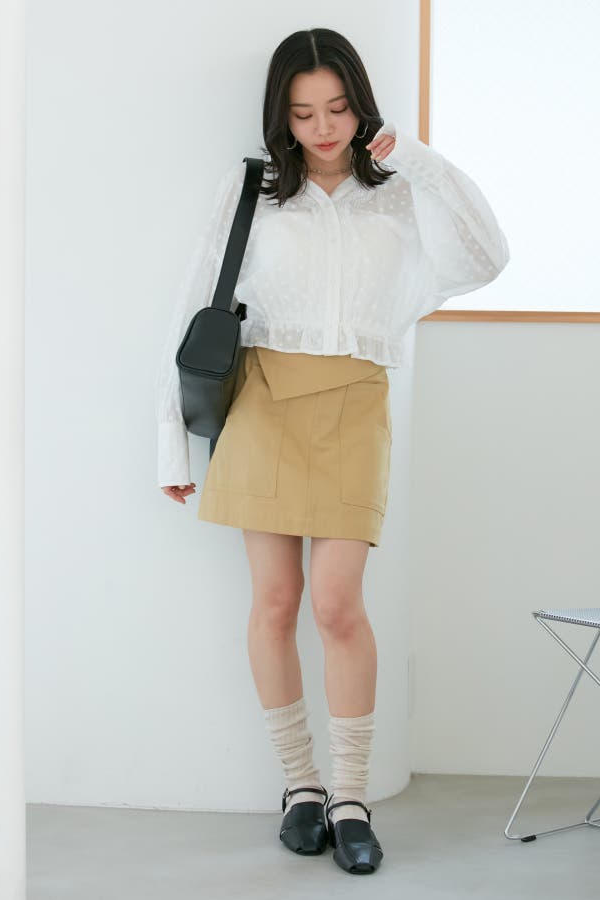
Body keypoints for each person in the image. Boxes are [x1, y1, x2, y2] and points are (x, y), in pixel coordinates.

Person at [155, 28, 509, 875]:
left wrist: (416, 158)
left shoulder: (400, 195)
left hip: (355, 402)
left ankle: (350, 795)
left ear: (362, 105)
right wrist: (171, 441)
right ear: (281, 115)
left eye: (339, 108)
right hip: (263, 402)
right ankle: (301, 787)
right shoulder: (253, 191)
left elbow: (487, 256)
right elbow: (194, 303)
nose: (323, 127)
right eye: (304, 112)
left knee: (339, 607)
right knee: (276, 603)